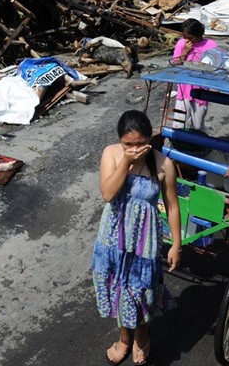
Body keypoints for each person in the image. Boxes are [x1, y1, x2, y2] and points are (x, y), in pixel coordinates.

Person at [92, 110, 181, 366]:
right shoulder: (111, 154)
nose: (134, 149)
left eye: (140, 143)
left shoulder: (163, 164)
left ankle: (141, 336)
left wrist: (177, 244)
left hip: (145, 242)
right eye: (128, 144)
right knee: (117, 287)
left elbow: (172, 206)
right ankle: (124, 338)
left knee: (141, 290)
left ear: (150, 139)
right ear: (120, 140)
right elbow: (108, 194)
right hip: (113, 238)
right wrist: (125, 163)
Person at [169, 18, 219, 131]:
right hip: (184, 87)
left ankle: (198, 145)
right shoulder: (182, 43)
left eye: (190, 38)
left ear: (198, 34)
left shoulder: (211, 45)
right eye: (185, 37)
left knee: (197, 124)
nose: (187, 40)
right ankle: (179, 143)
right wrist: (185, 51)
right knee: (180, 121)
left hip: (201, 87)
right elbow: (175, 63)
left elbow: (216, 66)